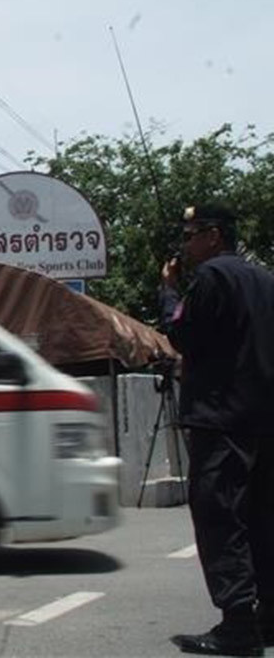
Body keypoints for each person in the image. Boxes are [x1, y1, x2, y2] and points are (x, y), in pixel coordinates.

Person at [162, 203, 274, 657]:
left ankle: (238, 626)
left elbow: (182, 334)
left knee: (220, 516)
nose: (185, 246)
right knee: (262, 519)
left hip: (223, 419)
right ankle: (268, 616)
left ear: (213, 235)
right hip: (263, 420)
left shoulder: (211, 279)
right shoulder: (265, 279)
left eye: (190, 236)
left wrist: (168, 292)